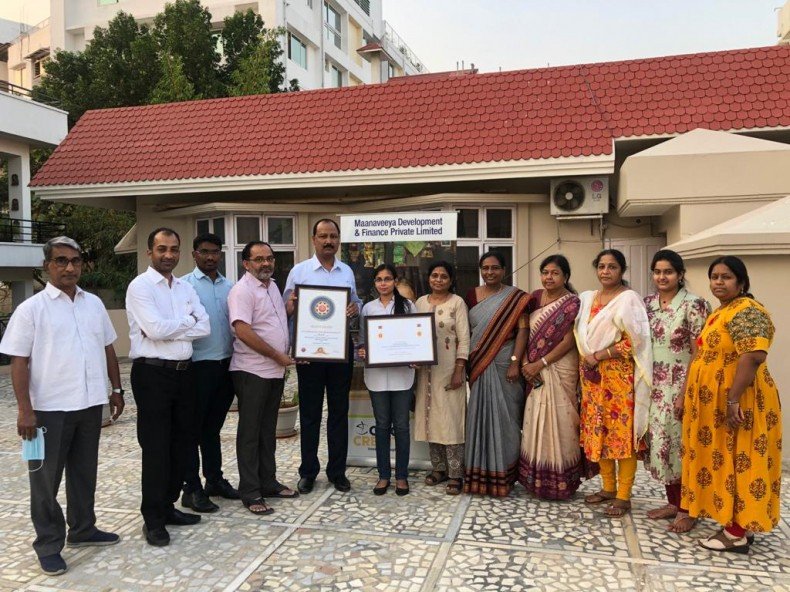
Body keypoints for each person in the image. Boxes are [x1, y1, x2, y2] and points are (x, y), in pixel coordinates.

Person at [0, 237, 124, 575]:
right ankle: (48, 544)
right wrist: (25, 411)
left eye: (75, 261)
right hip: (44, 413)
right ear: (47, 266)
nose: (70, 267)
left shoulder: (93, 304)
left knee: (84, 474)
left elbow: (108, 348)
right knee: (43, 481)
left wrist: (115, 389)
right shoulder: (31, 309)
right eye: (61, 261)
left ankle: (83, 529)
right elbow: (18, 361)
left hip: (88, 406)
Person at [681, 256, 782, 553]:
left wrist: (733, 399)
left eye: (726, 277)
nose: (718, 282)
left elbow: (753, 357)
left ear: (741, 281)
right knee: (725, 461)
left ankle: (736, 533)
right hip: (720, 403)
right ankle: (735, 523)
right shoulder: (724, 311)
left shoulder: (749, 311)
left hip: (742, 402)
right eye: (714, 277)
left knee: (741, 463)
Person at [126, 227, 210, 547]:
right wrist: (184, 324)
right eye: (162, 249)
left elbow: (205, 326)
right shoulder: (141, 287)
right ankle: (153, 518)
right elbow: (154, 329)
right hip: (153, 376)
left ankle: (168, 506)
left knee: (183, 444)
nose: (168, 255)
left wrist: (176, 327)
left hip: (185, 373)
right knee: (157, 447)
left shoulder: (184, 288)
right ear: (150, 252)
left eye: (174, 249)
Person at [283, 219, 362, 494]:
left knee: (339, 412)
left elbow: (355, 303)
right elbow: (286, 312)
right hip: (310, 355)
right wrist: (295, 343)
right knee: (310, 414)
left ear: (339, 240)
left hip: (340, 352)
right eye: (323, 236)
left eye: (333, 236)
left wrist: (355, 307)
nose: (329, 241)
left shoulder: (347, 272)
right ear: (314, 239)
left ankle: (337, 472)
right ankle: (308, 472)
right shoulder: (299, 272)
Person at [575, 249, 652, 517]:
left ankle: (623, 495)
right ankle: (607, 487)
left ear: (622, 271)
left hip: (618, 379)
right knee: (600, 431)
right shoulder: (588, 299)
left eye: (612, 267)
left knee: (622, 435)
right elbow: (580, 335)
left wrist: (601, 354)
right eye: (602, 266)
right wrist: (590, 358)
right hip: (593, 378)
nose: (606, 271)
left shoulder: (628, 299)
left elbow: (636, 340)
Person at [642, 250, 709, 531]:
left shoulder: (694, 305)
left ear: (680, 274)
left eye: (668, 272)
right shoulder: (647, 304)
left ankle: (688, 508)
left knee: (683, 446)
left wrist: (685, 393)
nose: (662, 277)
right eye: (657, 272)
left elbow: (700, 351)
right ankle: (673, 502)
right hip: (653, 384)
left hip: (682, 382)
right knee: (661, 445)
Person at [229, 241, 298, 515]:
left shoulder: (272, 286)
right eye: (258, 259)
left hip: (273, 371)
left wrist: (290, 309)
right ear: (246, 263)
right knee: (250, 433)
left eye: (269, 258)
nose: (266, 263)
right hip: (252, 371)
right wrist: (276, 355)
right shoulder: (242, 291)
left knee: (267, 431)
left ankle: (268, 482)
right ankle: (250, 491)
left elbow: (272, 321)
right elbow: (242, 330)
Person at [180, 233, 239, 514]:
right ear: (194, 254)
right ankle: (191, 488)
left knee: (212, 428)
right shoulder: (184, 287)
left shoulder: (231, 287)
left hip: (226, 366)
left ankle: (214, 480)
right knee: (191, 430)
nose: (210, 257)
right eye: (204, 252)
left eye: (215, 252)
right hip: (197, 366)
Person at [463, 251, 530, 497]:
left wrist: (515, 362)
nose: (490, 272)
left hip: (505, 363)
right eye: (485, 268)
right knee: (478, 416)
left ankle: (505, 473)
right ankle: (478, 473)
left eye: (495, 268)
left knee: (507, 419)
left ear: (504, 270)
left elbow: (523, 331)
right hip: (479, 363)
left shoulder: (516, 298)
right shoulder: (471, 295)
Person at [518, 254, 583, 500]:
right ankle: (535, 479)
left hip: (559, 367)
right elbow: (523, 331)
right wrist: (526, 363)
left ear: (565, 276)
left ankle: (562, 480)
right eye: (545, 272)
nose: (549, 277)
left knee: (561, 420)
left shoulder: (572, 304)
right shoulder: (533, 298)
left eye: (555, 273)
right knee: (535, 420)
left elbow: (569, 340)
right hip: (532, 367)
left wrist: (541, 363)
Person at [357, 264, 418, 496]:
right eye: (379, 279)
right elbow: (363, 340)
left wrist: (416, 356)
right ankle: (383, 475)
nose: (383, 283)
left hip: (403, 375)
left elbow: (415, 337)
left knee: (401, 426)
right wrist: (362, 350)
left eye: (388, 279)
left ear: (395, 281)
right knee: (381, 426)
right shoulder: (368, 308)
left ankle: (401, 476)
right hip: (377, 376)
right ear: (374, 283)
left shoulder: (407, 306)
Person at [414, 261, 470, 495]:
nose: (438, 279)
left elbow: (464, 338)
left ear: (451, 280)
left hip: (449, 370)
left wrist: (459, 369)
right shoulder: (420, 303)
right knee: (430, 417)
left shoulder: (457, 303)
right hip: (424, 371)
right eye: (434, 275)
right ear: (429, 278)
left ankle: (456, 473)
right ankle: (438, 469)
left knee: (451, 419)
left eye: (443, 276)